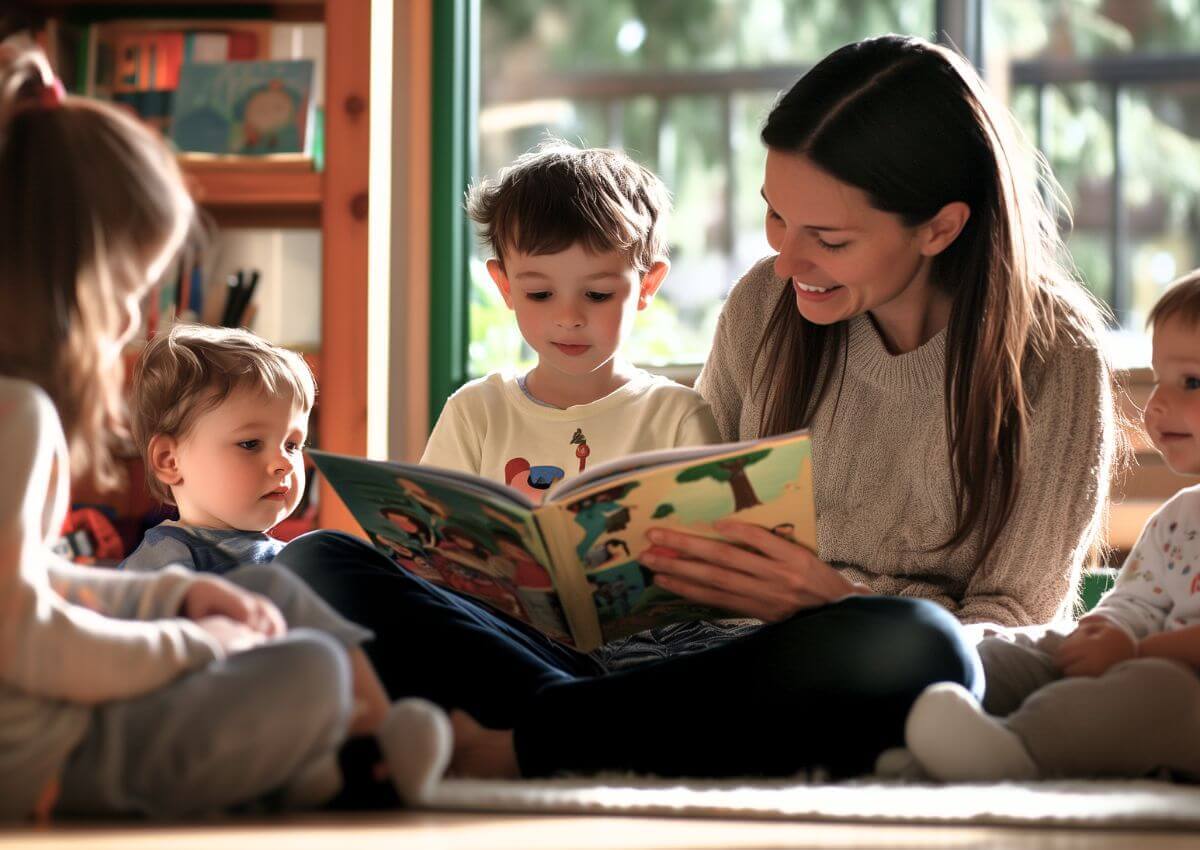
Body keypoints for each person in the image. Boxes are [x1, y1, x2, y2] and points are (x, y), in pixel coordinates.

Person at [286, 35, 1070, 786]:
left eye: (826, 238)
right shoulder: (768, 304)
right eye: (775, 217)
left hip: (802, 668)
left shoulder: (1056, 363)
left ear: (940, 226)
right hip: (681, 670)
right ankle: (592, 728)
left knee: (921, 652)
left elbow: (1022, 644)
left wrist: (829, 599)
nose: (785, 260)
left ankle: (530, 739)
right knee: (313, 565)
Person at [0, 39, 438, 820]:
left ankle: (326, 761)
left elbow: (40, 588)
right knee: (306, 677)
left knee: (278, 590)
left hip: (63, 723)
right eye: (126, 292)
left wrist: (181, 597)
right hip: (49, 763)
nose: (133, 321)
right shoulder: (18, 418)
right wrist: (198, 643)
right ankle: (342, 758)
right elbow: (28, 639)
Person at [904, 269, 1200, 782]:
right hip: (1138, 662)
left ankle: (1019, 754)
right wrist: (1098, 638)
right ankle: (944, 725)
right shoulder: (1180, 517)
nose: (1155, 404)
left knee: (1158, 688)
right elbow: (1136, 602)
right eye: (1156, 379)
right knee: (1021, 647)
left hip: (1178, 696)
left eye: (1192, 382)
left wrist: (1134, 651)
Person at [421, 140, 721, 497]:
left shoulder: (676, 417)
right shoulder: (475, 413)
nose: (568, 318)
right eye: (540, 294)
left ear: (647, 284)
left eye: (597, 295)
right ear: (504, 285)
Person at [121, 322, 315, 575]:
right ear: (170, 460)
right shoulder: (166, 566)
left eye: (292, 445)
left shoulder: (295, 556)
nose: (285, 463)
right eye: (250, 444)